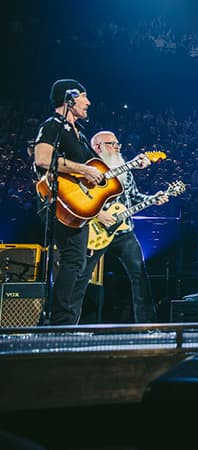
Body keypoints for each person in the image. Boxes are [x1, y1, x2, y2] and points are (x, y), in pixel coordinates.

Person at [73, 131, 166, 323]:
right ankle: (68, 324)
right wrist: (97, 214)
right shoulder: (88, 168)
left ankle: (147, 324)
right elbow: (77, 198)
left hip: (123, 231)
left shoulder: (125, 170)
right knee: (80, 277)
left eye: (117, 143)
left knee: (139, 274)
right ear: (97, 147)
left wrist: (154, 199)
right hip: (94, 229)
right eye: (111, 143)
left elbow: (134, 197)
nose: (116, 147)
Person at [32, 79, 104, 325]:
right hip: (57, 201)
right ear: (69, 98)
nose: (88, 102)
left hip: (75, 205)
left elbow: (95, 170)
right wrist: (81, 169)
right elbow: (42, 158)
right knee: (73, 259)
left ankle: (64, 320)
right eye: (84, 96)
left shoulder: (80, 135)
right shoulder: (52, 125)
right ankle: (60, 321)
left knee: (75, 260)